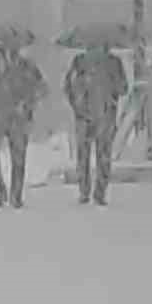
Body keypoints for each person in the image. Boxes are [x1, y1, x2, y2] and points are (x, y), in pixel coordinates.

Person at [63, 37, 128, 206]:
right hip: (105, 113)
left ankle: (85, 191)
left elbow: (67, 86)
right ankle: (99, 192)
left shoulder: (79, 62)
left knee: (83, 154)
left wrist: (75, 103)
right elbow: (123, 88)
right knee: (103, 154)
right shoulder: (114, 62)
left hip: (83, 114)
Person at [0, 45, 48, 209]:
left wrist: (27, 104)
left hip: (19, 118)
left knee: (18, 158)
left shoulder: (27, 66)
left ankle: (16, 194)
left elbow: (41, 88)